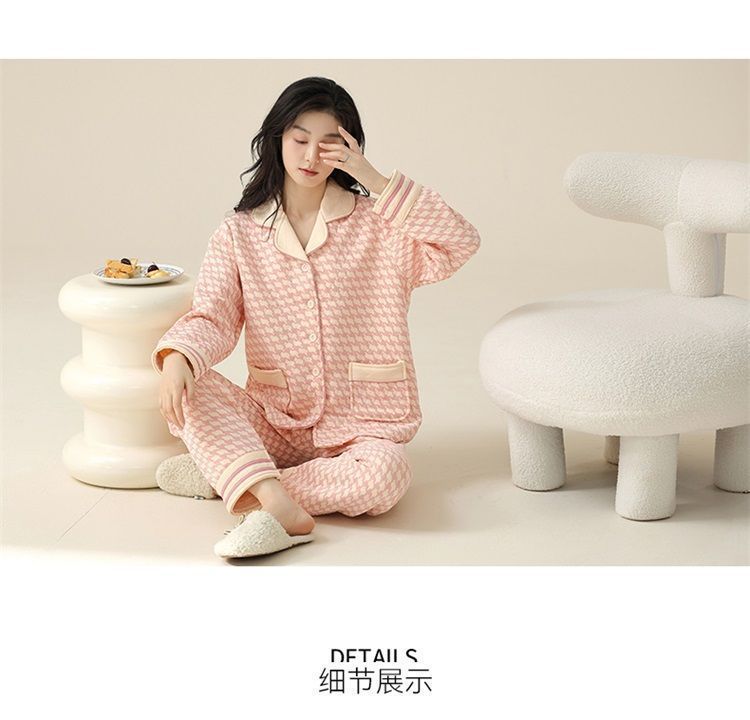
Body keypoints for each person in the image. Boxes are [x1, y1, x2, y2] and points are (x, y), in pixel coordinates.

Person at [151, 76, 481, 558]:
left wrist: (376, 180)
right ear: (277, 138)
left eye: (328, 143)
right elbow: (213, 317)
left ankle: (242, 481)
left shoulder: (380, 225)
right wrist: (180, 355)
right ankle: (264, 490)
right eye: (299, 139)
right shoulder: (238, 234)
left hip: (362, 428)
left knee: (385, 478)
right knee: (182, 379)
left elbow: (459, 242)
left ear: (349, 147)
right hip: (275, 421)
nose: (310, 157)